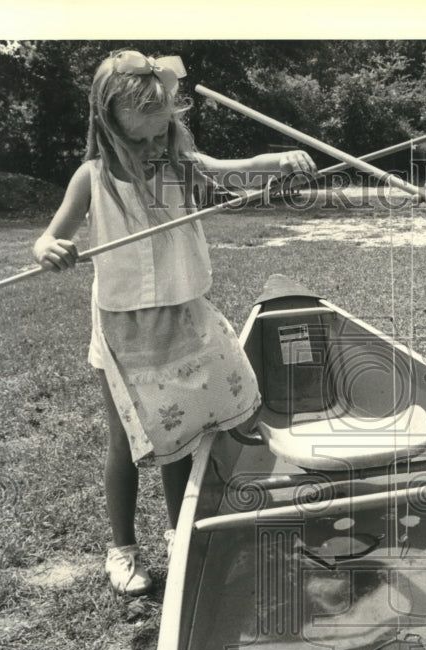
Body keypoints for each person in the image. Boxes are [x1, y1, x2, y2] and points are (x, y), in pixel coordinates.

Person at [33, 50, 316, 595]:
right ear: (109, 123)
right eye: (141, 139)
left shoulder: (174, 167)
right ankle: (122, 549)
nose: (153, 148)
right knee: (127, 444)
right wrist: (51, 248)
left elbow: (230, 171)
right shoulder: (93, 178)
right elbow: (48, 236)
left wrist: (280, 162)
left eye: (162, 134)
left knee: (182, 435)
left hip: (186, 320)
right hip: (126, 334)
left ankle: (176, 532)